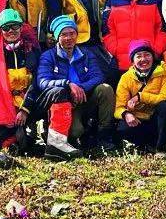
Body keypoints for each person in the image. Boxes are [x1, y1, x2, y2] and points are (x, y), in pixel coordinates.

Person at [35, 15, 116, 156]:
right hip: (65, 103)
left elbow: (98, 76)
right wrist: (68, 85)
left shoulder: (86, 53)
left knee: (105, 89)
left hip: (85, 98)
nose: (68, 38)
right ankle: (59, 136)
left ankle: (104, 137)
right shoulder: (48, 56)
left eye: (72, 33)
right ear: (57, 37)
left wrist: (81, 88)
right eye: (64, 35)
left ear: (77, 35)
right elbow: (42, 82)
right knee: (75, 132)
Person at [102, 0, 166, 83]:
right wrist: (115, 49)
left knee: (152, 97)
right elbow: (106, 29)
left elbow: (164, 29)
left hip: (150, 60)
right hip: (121, 61)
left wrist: (155, 51)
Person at [0, 9, 41, 153]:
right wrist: (6, 111)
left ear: (21, 27)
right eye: (6, 28)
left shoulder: (32, 50)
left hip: (30, 103)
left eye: (15, 26)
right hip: (5, 106)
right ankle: (17, 138)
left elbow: (37, 82)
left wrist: (25, 109)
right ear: (0, 31)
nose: (11, 31)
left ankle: (31, 134)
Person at [114, 40, 166, 155]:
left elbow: (164, 98)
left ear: (153, 57)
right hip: (138, 119)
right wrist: (126, 114)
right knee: (123, 129)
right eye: (139, 56)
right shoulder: (126, 78)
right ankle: (143, 146)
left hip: (156, 119)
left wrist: (140, 96)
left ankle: (161, 149)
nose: (143, 59)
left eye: (147, 55)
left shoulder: (165, 71)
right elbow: (118, 107)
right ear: (132, 61)